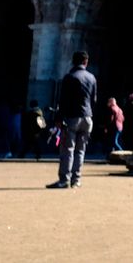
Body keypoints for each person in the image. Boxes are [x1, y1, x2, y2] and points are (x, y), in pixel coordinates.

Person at [47, 50, 97, 189]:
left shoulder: (70, 77)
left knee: (67, 149)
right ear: (86, 62)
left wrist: (58, 118)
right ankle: (76, 179)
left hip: (72, 117)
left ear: (73, 61)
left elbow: (63, 100)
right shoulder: (92, 78)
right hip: (87, 117)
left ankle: (64, 179)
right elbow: (94, 100)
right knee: (81, 150)